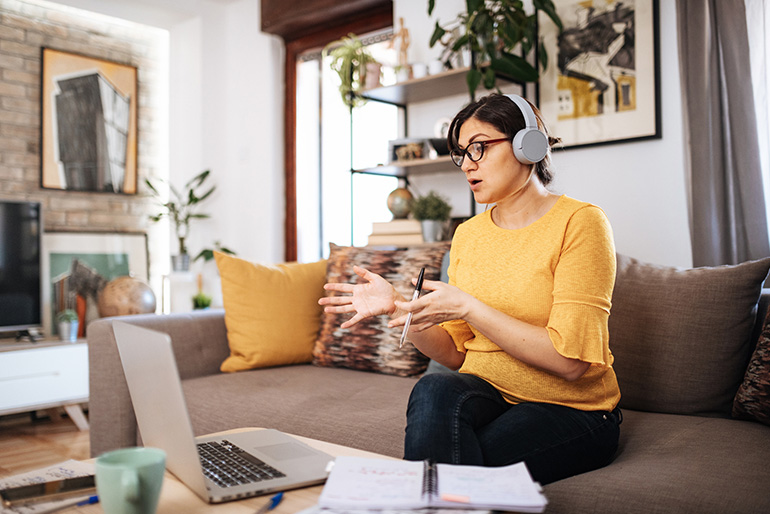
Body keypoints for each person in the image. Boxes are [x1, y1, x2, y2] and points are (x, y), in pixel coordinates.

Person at [319, 93, 621, 485]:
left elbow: (570, 363)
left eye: (479, 147)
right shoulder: (468, 235)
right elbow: (455, 355)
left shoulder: (581, 223)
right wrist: (398, 308)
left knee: (455, 470)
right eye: (461, 153)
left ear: (527, 144)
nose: (468, 164)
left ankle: (415, 497)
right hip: (490, 393)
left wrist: (469, 308)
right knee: (433, 388)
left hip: (573, 409)